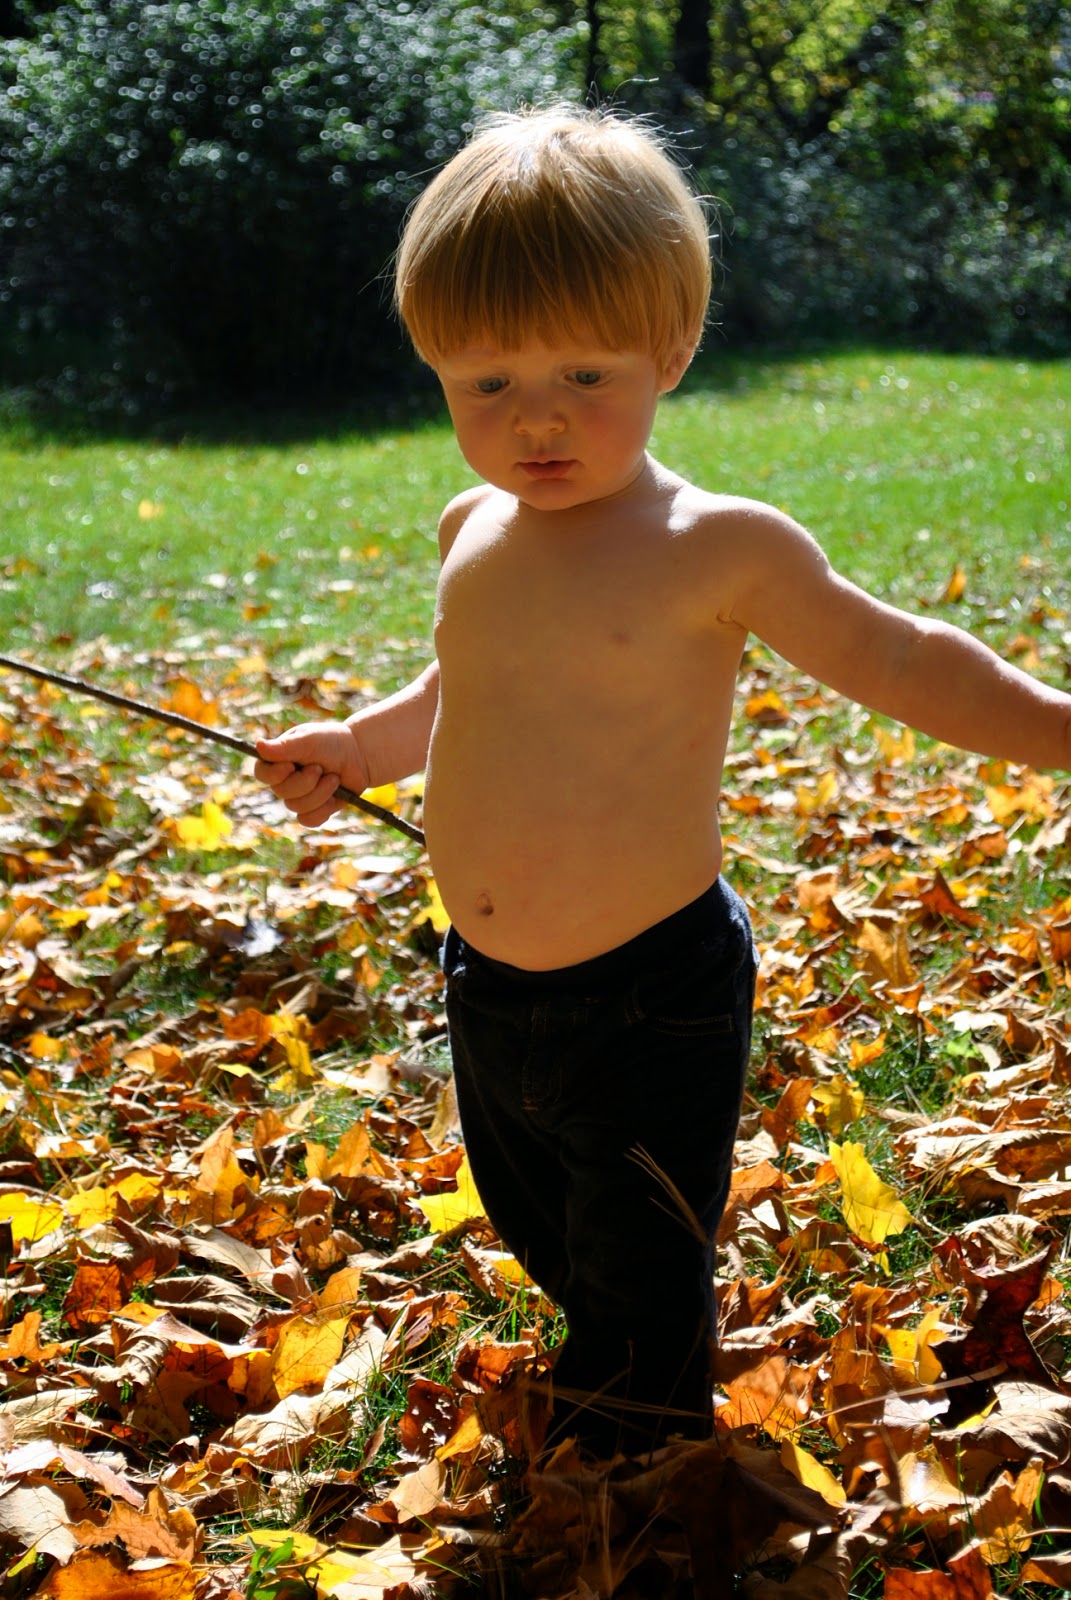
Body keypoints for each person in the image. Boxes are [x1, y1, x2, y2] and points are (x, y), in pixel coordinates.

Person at [254, 106, 1071, 1461]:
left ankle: (648, 1465)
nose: (536, 420)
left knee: (640, 1258)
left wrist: (1056, 729)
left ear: (673, 352)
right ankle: (619, 1378)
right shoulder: (474, 527)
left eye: (585, 374)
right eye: (486, 384)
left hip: (650, 990)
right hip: (486, 983)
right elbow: (459, 690)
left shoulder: (714, 546)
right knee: (547, 1226)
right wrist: (357, 745)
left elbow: (900, 655)